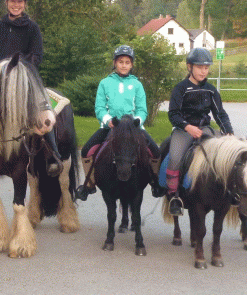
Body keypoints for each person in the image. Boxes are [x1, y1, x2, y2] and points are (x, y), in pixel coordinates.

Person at [0, 0, 66, 175]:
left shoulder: (32, 28)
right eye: (12, 1)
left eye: (19, 2)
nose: (16, 5)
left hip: (25, 77)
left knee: (43, 106)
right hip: (1, 76)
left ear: (25, 4)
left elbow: (37, 55)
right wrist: (2, 66)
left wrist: (21, 69)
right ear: (6, 2)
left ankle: (53, 154)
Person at [75, 45, 161, 201]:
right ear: (115, 63)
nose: (124, 65)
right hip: (110, 127)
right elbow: (99, 107)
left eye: (127, 62)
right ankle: (89, 184)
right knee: (86, 150)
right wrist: (108, 120)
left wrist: (137, 122)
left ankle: (155, 182)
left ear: (132, 64)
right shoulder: (105, 83)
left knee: (155, 151)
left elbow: (142, 109)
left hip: (134, 129)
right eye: (121, 61)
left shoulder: (137, 84)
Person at [165, 47, 233, 216]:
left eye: (206, 67)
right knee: (174, 157)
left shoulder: (211, 90)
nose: (204, 71)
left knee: (226, 153)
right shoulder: (180, 89)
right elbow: (173, 114)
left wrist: (229, 132)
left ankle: (228, 191)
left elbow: (220, 114)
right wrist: (187, 127)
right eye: (200, 67)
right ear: (190, 67)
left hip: (205, 129)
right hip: (184, 129)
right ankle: (174, 196)